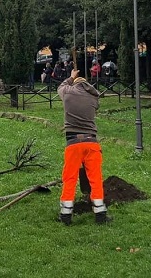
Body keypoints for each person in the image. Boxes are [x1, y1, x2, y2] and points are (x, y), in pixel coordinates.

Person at [57, 68, 111, 225]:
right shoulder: (93, 99)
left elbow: (60, 87)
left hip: (73, 143)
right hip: (91, 143)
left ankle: (66, 215)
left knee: (70, 178)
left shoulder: (67, 92)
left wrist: (71, 77)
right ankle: (100, 214)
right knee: (95, 179)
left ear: (75, 84)